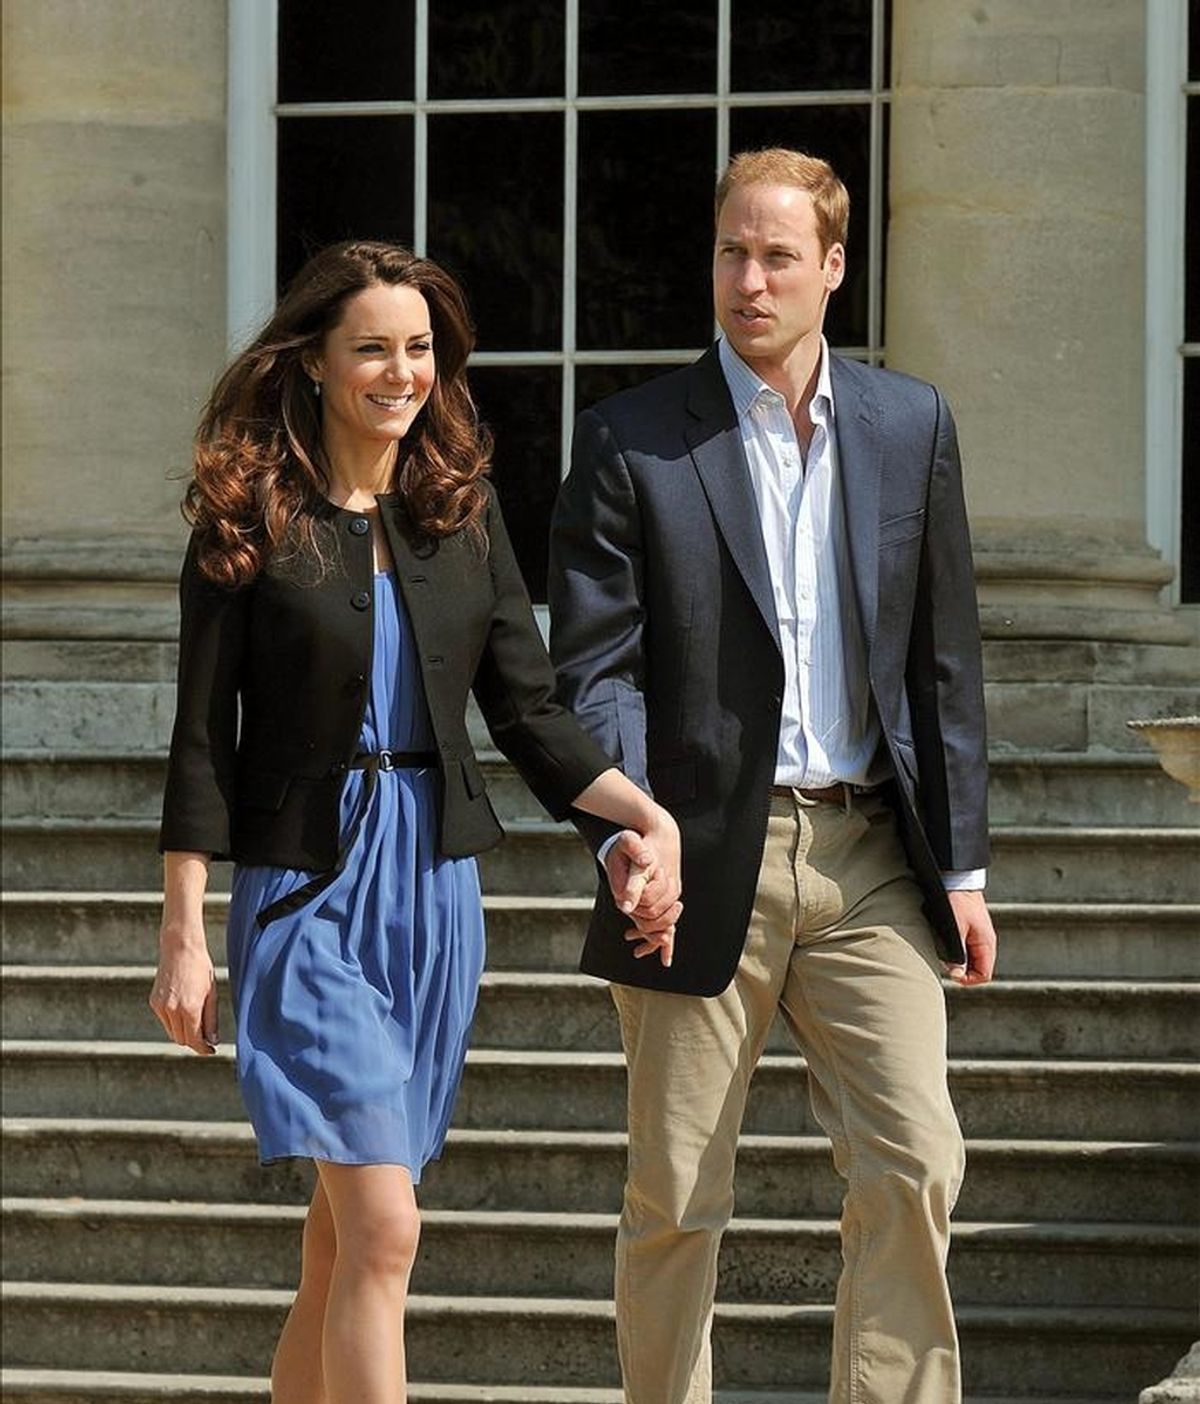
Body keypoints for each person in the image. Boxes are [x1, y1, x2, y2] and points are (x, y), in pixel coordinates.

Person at [150, 239, 681, 1404]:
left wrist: (639, 816)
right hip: (304, 887)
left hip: (432, 894)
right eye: (374, 349)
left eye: (420, 350)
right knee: (387, 1228)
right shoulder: (246, 519)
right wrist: (185, 933)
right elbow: (201, 738)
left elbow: (531, 711)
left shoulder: (464, 513)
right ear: (316, 364)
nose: (401, 372)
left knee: (344, 1243)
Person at [548, 149, 998, 1404]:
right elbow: (596, 670)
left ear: (833, 269)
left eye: (779, 256)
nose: (749, 281)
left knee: (916, 1160)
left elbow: (942, 660)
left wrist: (959, 865)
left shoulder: (912, 426)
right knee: (679, 1195)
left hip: (868, 863)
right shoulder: (630, 441)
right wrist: (630, 829)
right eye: (731, 253)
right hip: (693, 864)